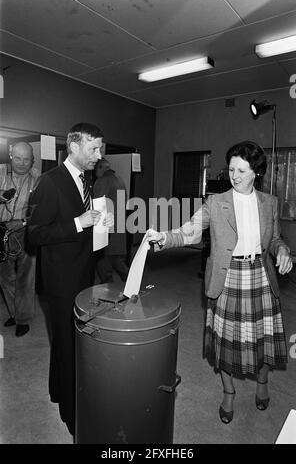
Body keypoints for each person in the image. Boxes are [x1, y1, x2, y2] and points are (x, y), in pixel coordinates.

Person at [148, 141, 293, 425]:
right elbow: (189, 232)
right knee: (226, 343)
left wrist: (283, 249)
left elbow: (275, 240)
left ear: (257, 172)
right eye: (231, 169)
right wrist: (165, 238)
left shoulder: (269, 202)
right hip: (228, 279)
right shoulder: (215, 202)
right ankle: (228, 392)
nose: (234, 175)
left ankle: (262, 383)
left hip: (260, 277)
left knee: (263, 340)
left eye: (241, 170)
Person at [27, 123, 114, 436]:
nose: (99, 155)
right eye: (93, 148)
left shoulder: (85, 178)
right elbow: (34, 234)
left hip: (82, 272)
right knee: (68, 343)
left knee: (66, 338)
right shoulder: (49, 182)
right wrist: (79, 222)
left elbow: (82, 221)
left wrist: (100, 221)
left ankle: (55, 390)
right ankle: (71, 415)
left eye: (100, 148)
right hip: (62, 278)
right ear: (74, 147)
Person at [0, 142, 40, 337]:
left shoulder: (38, 178)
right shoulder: (0, 172)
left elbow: (42, 211)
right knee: (5, 277)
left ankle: (22, 319)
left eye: (27, 159)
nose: (22, 163)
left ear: (32, 159)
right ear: (10, 156)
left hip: (26, 231)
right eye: (18, 158)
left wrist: (23, 222)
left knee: (26, 278)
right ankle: (15, 313)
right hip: (1, 231)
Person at [93, 158, 129, 283]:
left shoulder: (102, 181)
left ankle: (107, 291)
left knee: (103, 264)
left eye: (95, 169)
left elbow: (97, 206)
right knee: (115, 260)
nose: (94, 172)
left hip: (106, 228)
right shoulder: (120, 180)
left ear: (101, 168)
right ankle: (131, 282)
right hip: (119, 226)